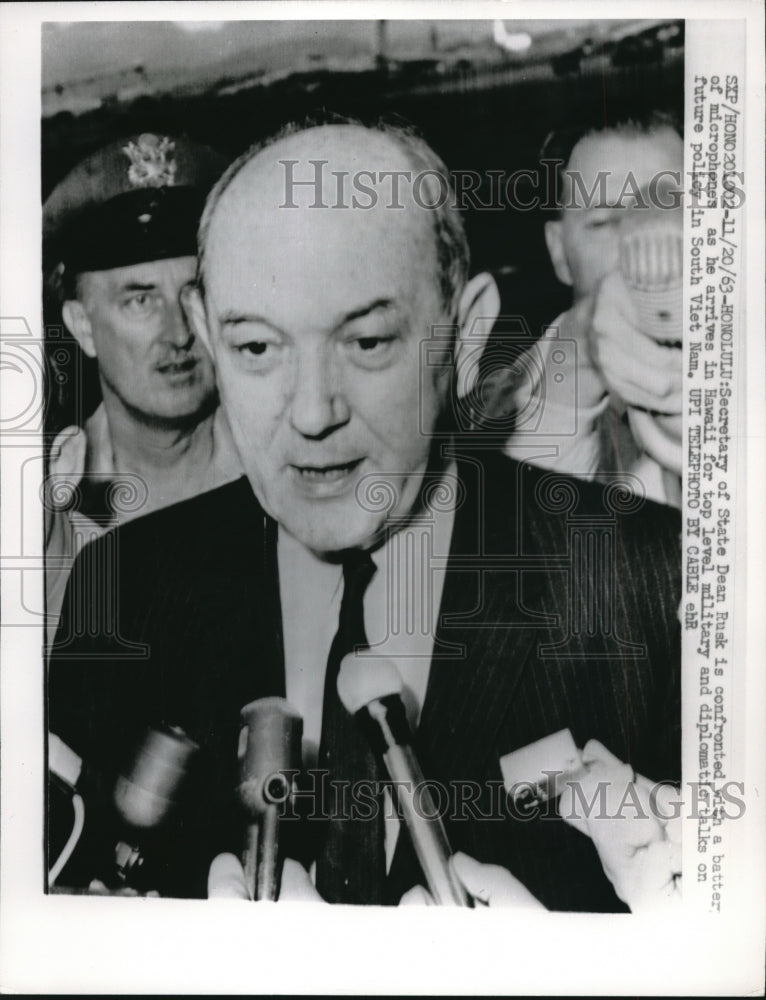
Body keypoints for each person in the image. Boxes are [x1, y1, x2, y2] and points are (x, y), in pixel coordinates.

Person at [48, 120, 681, 911]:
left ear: (468, 330)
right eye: (255, 348)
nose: (311, 413)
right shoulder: (124, 584)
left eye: (370, 341)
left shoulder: (655, 583)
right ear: (210, 337)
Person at [43, 134, 242, 640]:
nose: (178, 333)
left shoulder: (283, 474)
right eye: (140, 301)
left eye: (195, 292)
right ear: (83, 326)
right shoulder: (48, 516)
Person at [502, 116, 684, 507]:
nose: (641, 239)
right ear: (558, 251)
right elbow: (520, 540)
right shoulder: (492, 406)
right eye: (605, 221)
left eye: (672, 210)